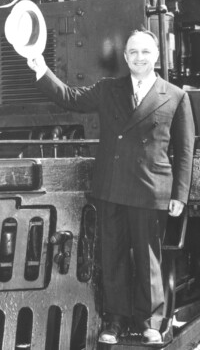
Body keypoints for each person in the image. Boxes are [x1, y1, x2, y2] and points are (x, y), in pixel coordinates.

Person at [27, 29, 195, 345]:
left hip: (150, 187)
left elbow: (184, 151)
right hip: (112, 185)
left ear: (157, 55)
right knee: (112, 255)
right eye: (133, 52)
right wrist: (40, 67)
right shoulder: (109, 89)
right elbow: (69, 98)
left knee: (148, 259)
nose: (139, 57)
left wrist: (179, 196)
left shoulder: (175, 96)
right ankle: (114, 322)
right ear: (125, 56)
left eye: (145, 52)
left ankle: (150, 323)